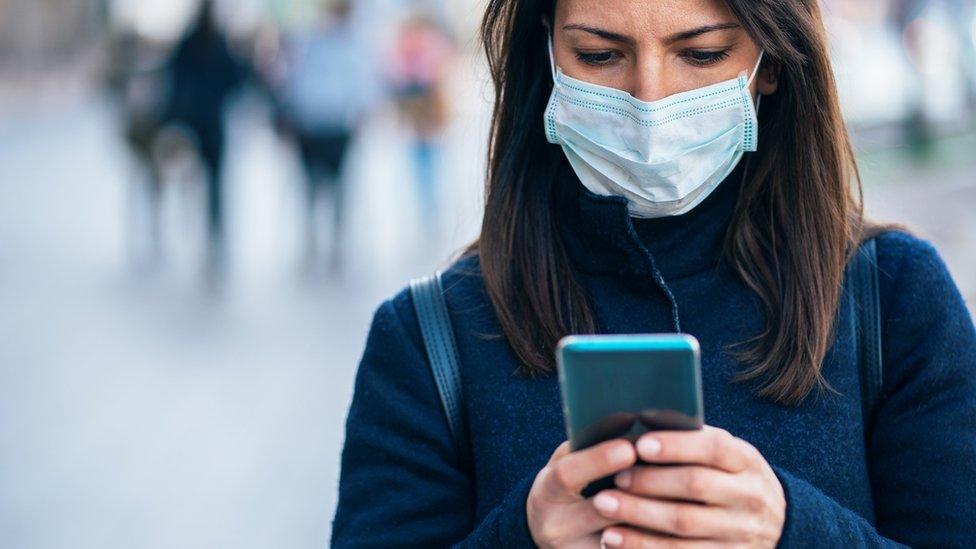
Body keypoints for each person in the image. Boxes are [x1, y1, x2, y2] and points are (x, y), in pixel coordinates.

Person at [331, 0, 976, 547]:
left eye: (701, 55)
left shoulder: (895, 299)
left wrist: (793, 528)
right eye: (598, 55)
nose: (649, 100)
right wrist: (521, 535)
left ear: (770, 63)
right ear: (547, 56)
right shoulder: (429, 337)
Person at [274, 0, 376, 271]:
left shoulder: (350, 43)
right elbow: (295, 79)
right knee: (313, 186)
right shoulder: (311, 41)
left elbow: (360, 82)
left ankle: (333, 241)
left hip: (335, 124)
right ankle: (315, 239)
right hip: (313, 123)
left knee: (337, 188)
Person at [163, 0, 248, 271]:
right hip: (206, 124)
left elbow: (174, 81)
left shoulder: (191, 44)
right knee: (210, 184)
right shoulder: (214, 45)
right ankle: (211, 232)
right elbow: (235, 80)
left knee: (204, 183)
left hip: (197, 123)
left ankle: (209, 233)